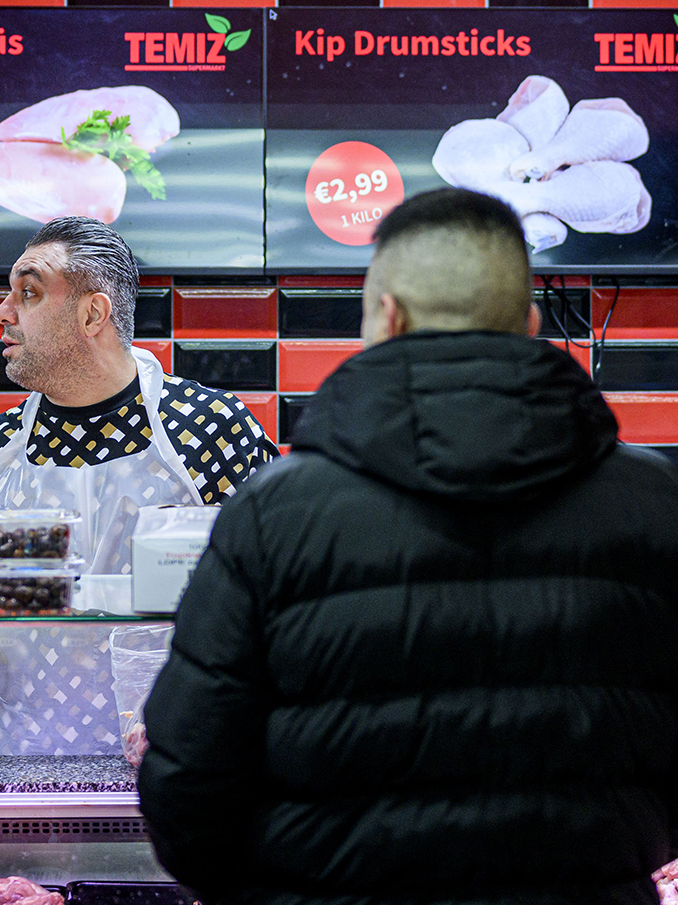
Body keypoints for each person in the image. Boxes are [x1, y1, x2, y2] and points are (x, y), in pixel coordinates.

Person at [138, 188, 678, 904]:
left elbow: (188, 786)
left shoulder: (275, 512)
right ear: (529, 322)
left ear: (387, 316)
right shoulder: (654, 501)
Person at [0, 215, 278, 754]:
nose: (2, 312)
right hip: (24, 756)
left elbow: (275, 580)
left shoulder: (210, 429)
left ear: (92, 313)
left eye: (29, 293)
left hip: (177, 754)